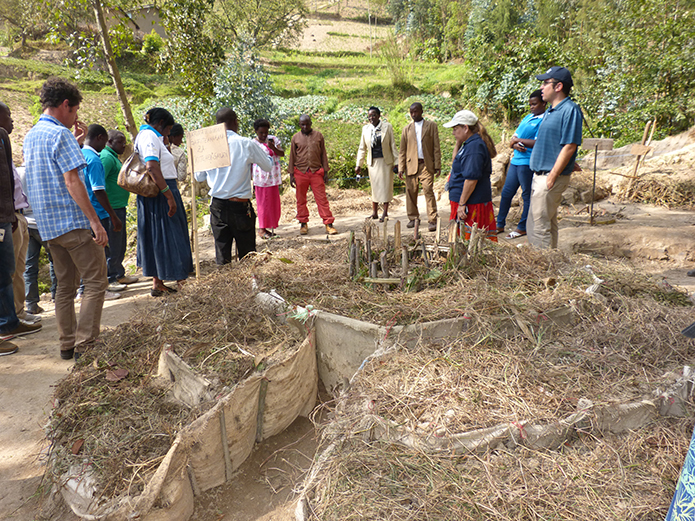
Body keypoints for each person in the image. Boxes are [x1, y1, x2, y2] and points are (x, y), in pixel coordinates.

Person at [23, 77, 102, 360]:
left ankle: (67, 344)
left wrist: (75, 143)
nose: (75, 118)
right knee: (95, 281)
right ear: (65, 105)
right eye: (75, 111)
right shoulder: (60, 135)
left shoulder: (31, 136)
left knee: (65, 287)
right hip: (73, 223)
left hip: (48, 226)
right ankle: (86, 345)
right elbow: (72, 181)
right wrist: (94, 221)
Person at [195, 108, 277, 263]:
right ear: (235, 122)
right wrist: (268, 154)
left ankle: (224, 285)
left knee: (222, 255)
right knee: (247, 256)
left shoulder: (207, 146)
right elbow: (267, 165)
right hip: (239, 206)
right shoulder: (245, 143)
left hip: (218, 206)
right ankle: (250, 284)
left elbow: (199, 177)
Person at [135, 108, 193, 296]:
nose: (168, 133)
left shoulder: (147, 136)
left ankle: (157, 282)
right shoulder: (150, 136)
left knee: (157, 236)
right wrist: (168, 195)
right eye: (168, 129)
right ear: (160, 124)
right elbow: (152, 166)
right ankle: (181, 280)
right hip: (162, 191)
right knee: (172, 235)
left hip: (156, 192)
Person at [528, 66, 582, 249]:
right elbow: (557, 143)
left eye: (545, 83)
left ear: (558, 86)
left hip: (549, 177)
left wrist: (553, 175)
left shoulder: (570, 109)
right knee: (546, 224)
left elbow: (570, 145)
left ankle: (542, 269)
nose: (542, 87)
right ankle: (550, 267)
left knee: (539, 226)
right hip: (541, 175)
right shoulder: (551, 111)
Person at [0, 102, 41, 324]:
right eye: (8, 115)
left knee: (18, 267)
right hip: (9, 217)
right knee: (8, 271)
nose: (12, 120)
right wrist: (9, 216)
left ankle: (17, 311)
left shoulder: (4, 143)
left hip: (18, 216)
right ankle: (9, 319)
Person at [80, 124, 124, 299]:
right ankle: (99, 290)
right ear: (99, 138)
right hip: (97, 211)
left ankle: (91, 287)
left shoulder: (81, 153)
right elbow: (98, 190)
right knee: (100, 253)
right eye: (105, 141)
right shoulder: (95, 159)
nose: (105, 146)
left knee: (89, 254)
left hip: (86, 210)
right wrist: (113, 215)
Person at [496, 90, 547, 239]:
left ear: (544, 103)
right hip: (516, 160)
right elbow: (514, 137)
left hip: (527, 162)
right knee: (506, 193)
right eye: (530, 104)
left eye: (535, 104)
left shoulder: (544, 120)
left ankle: (523, 226)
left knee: (526, 195)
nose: (531, 107)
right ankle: (499, 224)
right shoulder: (527, 117)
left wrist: (517, 142)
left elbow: (538, 142)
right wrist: (514, 144)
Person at [443, 110, 498, 242]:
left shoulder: (474, 148)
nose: (453, 132)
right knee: (462, 241)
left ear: (465, 128)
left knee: (470, 242)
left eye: (456, 129)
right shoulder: (468, 144)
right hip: (467, 201)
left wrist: (462, 204)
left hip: (471, 204)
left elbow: (471, 179)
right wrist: (458, 142)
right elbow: (455, 161)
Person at [288, 114, 338, 236]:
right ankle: (303, 223)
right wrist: (291, 175)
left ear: (311, 123)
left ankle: (328, 223)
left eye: (307, 124)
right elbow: (292, 156)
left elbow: (323, 154)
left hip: (316, 171)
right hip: (300, 172)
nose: (305, 126)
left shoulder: (318, 136)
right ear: (299, 125)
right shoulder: (295, 138)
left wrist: (326, 171)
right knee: (301, 200)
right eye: (302, 124)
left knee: (322, 199)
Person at [100, 129, 138, 287]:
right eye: (120, 142)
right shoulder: (106, 158)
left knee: (120, 243)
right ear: (109, 142)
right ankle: (112, 277)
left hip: (119, 207)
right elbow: (98, 184)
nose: (124, 145)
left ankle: (119, 273)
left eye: (124, 142)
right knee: (113, 245)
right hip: (111, 209)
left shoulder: (113, 157)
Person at [398, 102, 441, 232]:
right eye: (411, 112)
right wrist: (401, 168)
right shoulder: (407, 129)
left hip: (426, 165)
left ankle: (432, 220)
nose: (413, 114)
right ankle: (413, 218)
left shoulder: (431, 126)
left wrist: (437, 165)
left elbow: (436, 147)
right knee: (411, 192)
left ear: (422, 111)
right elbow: (402, 151)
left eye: (416, 111)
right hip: (411, 165)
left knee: (428, 190)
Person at [355, 106, 398, 222]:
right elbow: (362, 148)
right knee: (374, 187)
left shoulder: (387, 127)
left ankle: (385, 212)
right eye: (369, 116)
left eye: (374, 115)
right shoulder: (365, 129)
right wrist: (358, 164)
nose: (371, 118)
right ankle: (374, 212)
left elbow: (392, 145)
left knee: (386, 187)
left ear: (379, 116)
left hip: (386, 162)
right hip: (373, 163)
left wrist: (397, 162)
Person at [252, 118, 283, 240]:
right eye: (261, 133)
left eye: (266, 132)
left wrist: (273, 147)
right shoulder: (253, 144)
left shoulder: (273, 140)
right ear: (256, 132)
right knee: (263, 203)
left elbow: (282, 153)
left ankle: (270, 226)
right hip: (261, 178)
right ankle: (262, 229)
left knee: (273, 203)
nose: (264, 135)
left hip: (273, 177)